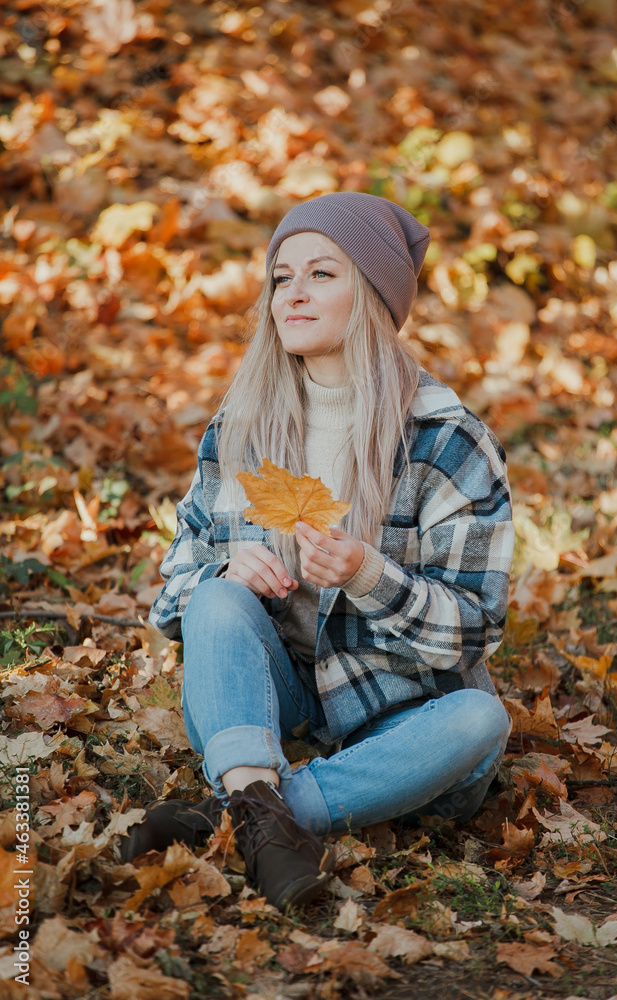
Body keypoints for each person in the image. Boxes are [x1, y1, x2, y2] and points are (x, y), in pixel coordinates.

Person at [120, 192, 515, 911]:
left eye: (322, 274)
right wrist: (223, 570)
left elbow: (474, 629)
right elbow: (174, 591)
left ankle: (247, 812)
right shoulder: (241, 426)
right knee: (215, 595)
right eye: (280, 277)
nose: (293, 293)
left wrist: (371, 575)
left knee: (481, 722)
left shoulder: (446, 441)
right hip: (278, 697)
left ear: (372, 294)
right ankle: (262, 806)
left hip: (400, 707)